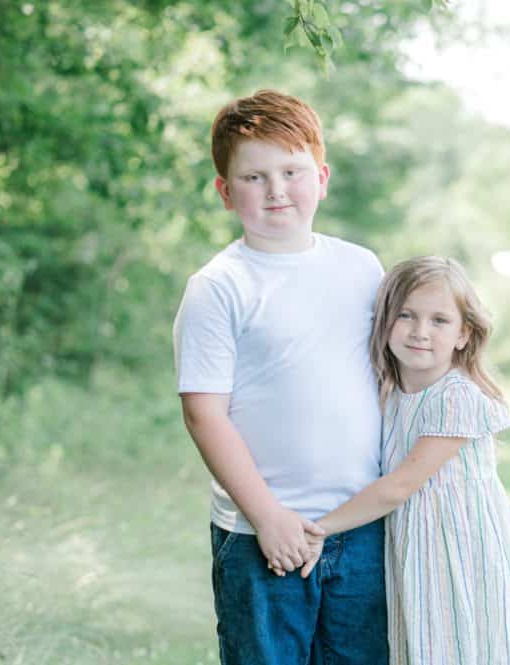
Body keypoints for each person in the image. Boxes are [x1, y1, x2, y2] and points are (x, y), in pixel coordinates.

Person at [173, 89, 387, 665]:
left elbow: (394, 375)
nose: (275, 190)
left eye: (291, 171)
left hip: (362, 524)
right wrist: (267, 517)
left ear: (321, 177)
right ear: (224, 192)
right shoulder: (220, 286)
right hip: (263, 532)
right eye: (254, 177)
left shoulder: (362, 268)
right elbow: (203, 414)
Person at [300, 256, 510, 664]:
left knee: (465, 644)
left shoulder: (456, 397)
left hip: (461, 549)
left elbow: (398, 486)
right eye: (406, 315)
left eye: (439, 321)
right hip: (417, 549)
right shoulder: (390, 394)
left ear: (464, 334)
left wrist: (319, 530)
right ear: (385, 321)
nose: (420, 332)